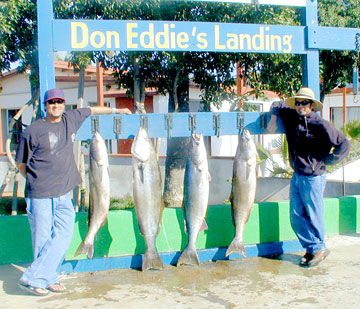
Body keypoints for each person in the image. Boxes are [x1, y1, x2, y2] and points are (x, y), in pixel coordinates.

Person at [15, 88, 131, 296]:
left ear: (64, 104)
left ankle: (40, 277)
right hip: (40, 194)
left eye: (59, 101)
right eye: (52, 102)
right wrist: (36, 180)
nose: (56, 105)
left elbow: (92, 109)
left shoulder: (70, 119)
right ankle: (41, 279)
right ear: (45, 106)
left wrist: (118, 110)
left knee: (64, 235)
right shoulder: (32, 130)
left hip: (63, 194)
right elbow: (20, 163)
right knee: (42, 239)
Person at [267, 87, 350, 268]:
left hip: (314, 177)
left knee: (314, 214)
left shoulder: (320, 124)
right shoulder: (291, 118)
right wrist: (273, 118)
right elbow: (277, 104)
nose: (300, 106)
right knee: (296, 216)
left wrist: (328, 160)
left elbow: (344, 143)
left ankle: (318, 248)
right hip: (297, 175)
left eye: (304, 103)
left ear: (312, 105)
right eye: (297, 102)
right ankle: (313, 247)